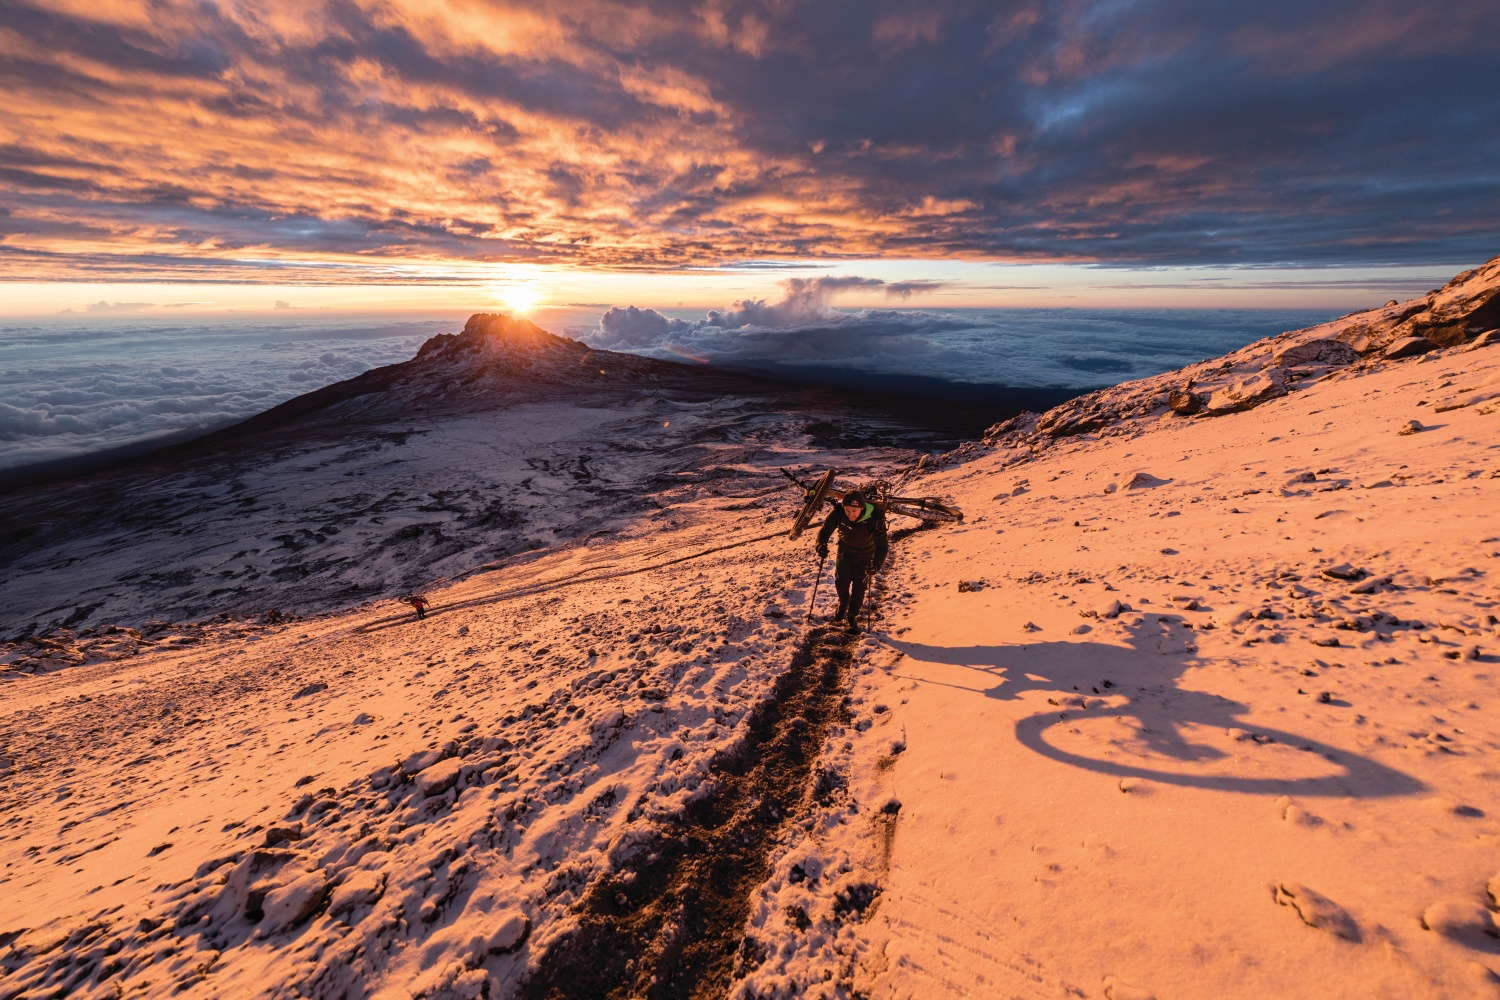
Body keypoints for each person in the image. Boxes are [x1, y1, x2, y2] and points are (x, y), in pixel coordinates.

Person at [814, 490, 887, 632]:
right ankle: (843, 603)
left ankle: (852, 614)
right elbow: (824, 531)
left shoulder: (875, 517)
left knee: (859, 587)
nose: (851, 514)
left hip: (865, 556)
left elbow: (882, 546)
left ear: (862, 508)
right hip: (844, 553)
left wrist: (877, 564)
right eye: (848, 510)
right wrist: (820, 545)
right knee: (841, 581)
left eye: (854, 511)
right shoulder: (838, 512)